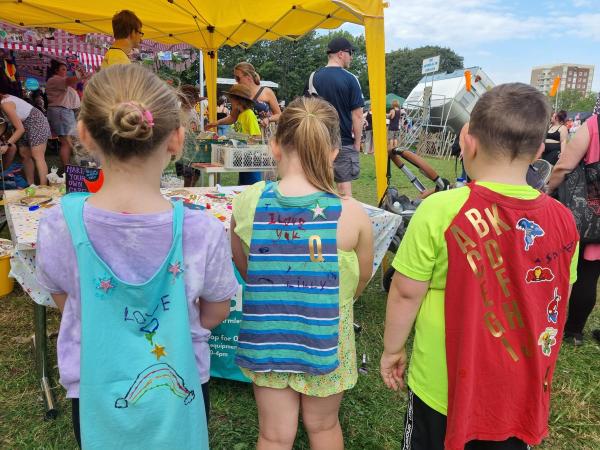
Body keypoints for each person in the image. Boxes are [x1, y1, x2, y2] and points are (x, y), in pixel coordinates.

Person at [35, 64, 238, 449]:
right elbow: (215, 312)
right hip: (185, 385)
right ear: (177, 139)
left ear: (84, 134)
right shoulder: (203, 231)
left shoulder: (59, 225)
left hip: (95, 389)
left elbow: (67, 302)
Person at [380, 83, 579, 450]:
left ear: (466, 138)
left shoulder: (440, 209)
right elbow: (558, 296)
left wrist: (393, 349)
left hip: (443, 386)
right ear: (538, 151)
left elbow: (406, 291)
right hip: (521, 388)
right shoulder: (564, 220)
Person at [230, 96, 373, 450]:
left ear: (275, 145)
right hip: (325, 335)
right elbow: (361, 280)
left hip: (268, 335)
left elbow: (242, 262)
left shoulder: (249, 200)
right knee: (323, 428)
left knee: (274, 435)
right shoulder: (351, 214)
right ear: (333, 152)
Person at [546, 98, 600, 346]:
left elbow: (564, 166)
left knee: (587, 272)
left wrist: (547, 191)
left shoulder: (593, 125)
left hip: (594, 214)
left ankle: (574, 332)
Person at [305, 37, 364, 197]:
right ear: (340, 54)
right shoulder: (351, 79)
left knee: (316, 187)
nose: (352, 56)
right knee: (344, 191)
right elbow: (357, 115)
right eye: (350, 52)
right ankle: (346, 221)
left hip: (317, 141)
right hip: (343, 142)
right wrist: (357, 144)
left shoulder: (313, 77)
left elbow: (305, 111)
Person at [210, 62, 282, 136]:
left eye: (238, 78)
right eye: (235, 78)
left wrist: (268, 119)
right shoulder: (239, 94)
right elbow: (233, 117)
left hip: (264, 136)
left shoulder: (267, 92)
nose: (236, 81)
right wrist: (217, 123)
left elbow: (279, 115)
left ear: (248, 77)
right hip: (246, 139)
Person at [0, 87, 50, 185]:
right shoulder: (2, 103)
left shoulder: (5, 104)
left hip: (36, 121)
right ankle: (30, 185)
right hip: (23, 123)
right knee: (24, 154)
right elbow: (6, 125)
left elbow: (20, 129)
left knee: (37, 155)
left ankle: (44, 187)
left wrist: (7, 144)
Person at [216, 83, 262, 185]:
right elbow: (235, 135)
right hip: (242, 159)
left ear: (238, 100)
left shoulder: (249, 114)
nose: (229, 101)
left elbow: (257, 137)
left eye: (231, 98)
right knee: (243, 187)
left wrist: (239, 139)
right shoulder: (240, 115)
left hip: (251, 160)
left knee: (252, 188)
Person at [46, 60, 82, 167]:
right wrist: (79, 74)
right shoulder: (55, 80)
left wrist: (82, 76)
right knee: (66, 142)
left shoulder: (59, 81)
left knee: (67, 142)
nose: (65, 71)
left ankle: (68, 167)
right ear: (56, 71)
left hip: (63, 112)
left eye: (66, 69)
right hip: (61, 111)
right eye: (63, 69)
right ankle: (68, 168)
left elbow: (74, 82)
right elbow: (72, 80)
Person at [176, 84, 203, 187]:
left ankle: (191, 190)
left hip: (194, 147)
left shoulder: (193, 111)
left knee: (196, 174)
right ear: (184, 101)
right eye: (193, 101)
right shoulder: (179, 113)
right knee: (188, 175)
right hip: (184, 148)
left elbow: (198, 127)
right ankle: (187, 192)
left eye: (195, 101)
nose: (195, 103)